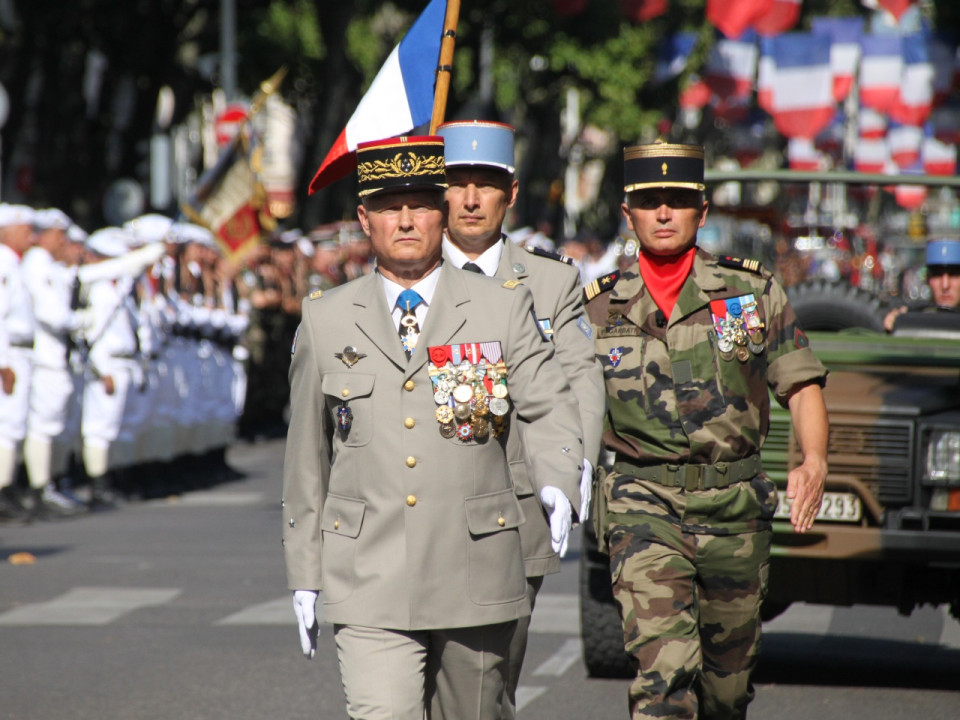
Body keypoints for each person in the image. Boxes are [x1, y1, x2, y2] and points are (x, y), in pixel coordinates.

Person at [283, 135, 584, 720]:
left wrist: (557, 478)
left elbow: (547, 404)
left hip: (476, 569)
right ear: (364, 219)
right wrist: (304, 570)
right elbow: (307, 459)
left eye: (420, 205)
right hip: (368, 574)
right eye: (390, 208)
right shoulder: (326, 317)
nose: (405, 221)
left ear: (441, 216)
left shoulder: (499, 305)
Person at [582, 141, 829, 720]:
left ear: (702, 210)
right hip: (643, 503)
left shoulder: (751, 291)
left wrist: (813, 460)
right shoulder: (596, 309)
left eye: (677, 201)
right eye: (649, 201)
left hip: (735, 508)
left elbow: (800, 383)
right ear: (628, 212)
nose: (663, 213)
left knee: (726, 692)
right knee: (662, 684)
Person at [437, 119, 605, 720]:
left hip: (512, 507)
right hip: (420, 502)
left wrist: (574, 466)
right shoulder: (408, 277)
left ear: (510, 194)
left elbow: (578, 380)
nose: (472, 198)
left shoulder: (550, 280)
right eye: (458, 183)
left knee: (488, 684)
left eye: (487, 185)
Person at [0, 204, 38, 523]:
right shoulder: (4, 263)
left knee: (15, 425)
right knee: (7, 426)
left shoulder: (16, 263)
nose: (31, 235)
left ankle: (8, 487)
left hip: (21, 352)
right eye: (25, 229)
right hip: (10, 354)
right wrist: (3, 363)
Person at [883, 238, 960, 332]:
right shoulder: (913, 316)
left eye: (954, 274)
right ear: (927, 279)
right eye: (936, 274)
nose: (945, 285)